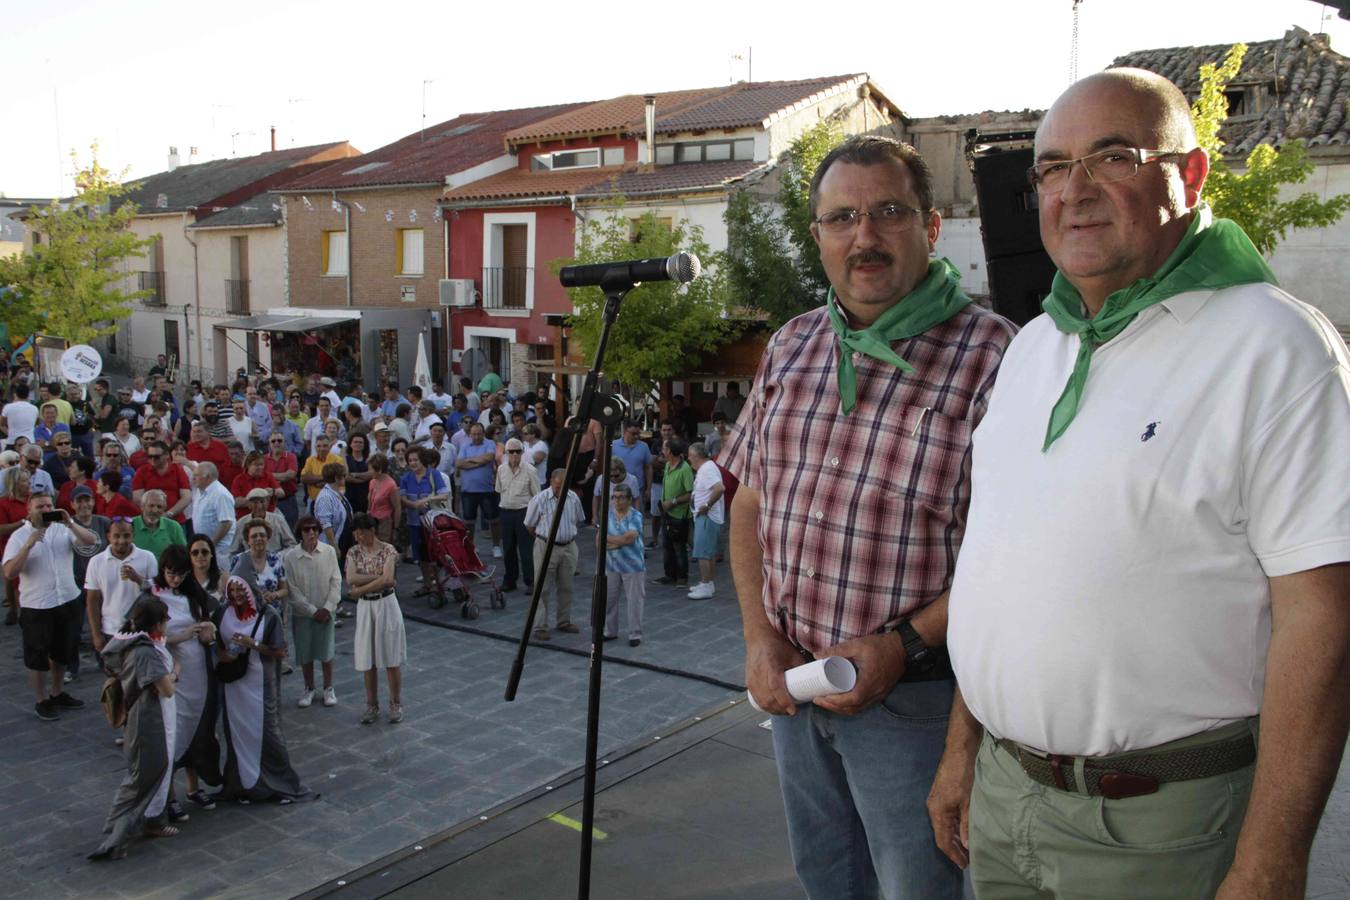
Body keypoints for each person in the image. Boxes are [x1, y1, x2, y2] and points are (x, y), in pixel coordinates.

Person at [930, 69, 1350, 899]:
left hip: (1165, 825)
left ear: (1189, 177)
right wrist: (962, 755)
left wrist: (1271, 860)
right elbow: (998, 575)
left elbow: (1324, 618)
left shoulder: (1274, 347)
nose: (1074, 191)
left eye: (1112, 157)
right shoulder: (1034, 347)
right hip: (1006, 799)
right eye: (1052, 167)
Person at [720, 134, 1014, 899]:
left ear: (932, 224)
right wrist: (758, 638)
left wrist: (899, 646)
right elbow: (749, 499)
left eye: (888, 212)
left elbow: (1013, 556)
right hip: (794, 688)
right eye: (842, 218)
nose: (865, 237)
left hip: (916, 701)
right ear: (817, 235)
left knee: (919, 889)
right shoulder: (792, 344)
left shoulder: (999, 358)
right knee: (827, 882)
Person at [87, 597, 181, 860]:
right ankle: (113, 837)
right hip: (149, 719)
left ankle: (149, 822)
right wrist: (174, 672)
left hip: (151, 716)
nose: (168, 622)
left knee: (152, 774)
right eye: (165, 619)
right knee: (140, 779)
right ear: (156, 622)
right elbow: (167, 689)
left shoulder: (140, 643)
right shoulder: (143, 652)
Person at [212, 576, 317, 803]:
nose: (237, 595)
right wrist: (226, 656)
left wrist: (254, 645)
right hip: (234, 687)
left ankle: (281, 785)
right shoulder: (222, 614)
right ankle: (242, 786)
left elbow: (280, 651)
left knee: (270, 735)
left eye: (242, 590)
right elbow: (216, 646)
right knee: (237, 735)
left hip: (260, 685)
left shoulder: (268, 616)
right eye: (233, 590)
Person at [139, 545, 221, 815]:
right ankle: (170, 796)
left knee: (199, 729)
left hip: (198, 670)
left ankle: (193, 788)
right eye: (171, 574)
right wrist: (179, 637)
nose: (176, 579)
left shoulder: (191, 592)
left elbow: (212, 615)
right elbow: (143, 637)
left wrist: (208, 629)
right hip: (171, 671)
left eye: (181, 574)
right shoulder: (151, 595)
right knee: (173, 734)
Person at [3, 492, 100, 720]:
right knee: (37, 656)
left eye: (49, 505)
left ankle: (57, 693)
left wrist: (71, 522)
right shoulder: (19, 536)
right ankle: (42, 699)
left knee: (62, 651)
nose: (45, 509)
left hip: (66, 599)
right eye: (40, 506)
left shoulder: (62, 529)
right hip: (37, 604)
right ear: (29, 509)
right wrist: (28, 545)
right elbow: (9, 572)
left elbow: (91, 541)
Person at [346, 514, 406, 724]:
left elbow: (388, 581)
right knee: (367, 658)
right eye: (356, 533)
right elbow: (351, 577)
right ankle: (372, 705)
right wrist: (379, 578)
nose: (359, 537)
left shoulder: (388, 550)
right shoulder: (353, 552)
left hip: (386, 605)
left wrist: (361, 589)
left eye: (362, 532)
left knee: (391, 658)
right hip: (366, 607)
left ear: (372, 530)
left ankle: (395, 703)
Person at [84, 517, 158, 665]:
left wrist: (138, 579)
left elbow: (157, 593)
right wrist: (96, 634)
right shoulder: (96, 562)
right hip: (110, 631)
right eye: (116, 536)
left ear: (133, 536)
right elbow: (92, 600)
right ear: (109, 536)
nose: (121, 540)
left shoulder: (147, 557)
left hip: (141, 631)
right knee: (114, 680)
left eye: (126, 535)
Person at [523, 468, 586, 641]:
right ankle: (540, 626)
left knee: (567, 586)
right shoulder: (540, 499)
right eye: (558, 486)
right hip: (546, 545)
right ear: (551, 481)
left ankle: (564, 621)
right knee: (542, 588)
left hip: (569, 546)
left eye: (564, 486)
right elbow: (529, 525)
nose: (560, 490)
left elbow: (578, 519)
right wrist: (544, 538)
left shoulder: (573, 498)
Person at [285, 516, 341, 709]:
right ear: (300, 533)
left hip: (325, 611)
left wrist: (328, 607)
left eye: (315, 530)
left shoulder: (329, 552)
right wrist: (311, 611)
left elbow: (336, 581)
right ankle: (309, 687)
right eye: (307, 530)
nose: (311, 533)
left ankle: (328, 687)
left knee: (326, 651)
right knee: (305, 652)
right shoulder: (291, 556)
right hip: (303, 614)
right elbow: (292, 589)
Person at [400, 447, 449, 593]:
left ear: (422, 460)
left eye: (416, 460)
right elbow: (402, 498)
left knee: (438, 553)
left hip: (433, 522)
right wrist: (413, 504)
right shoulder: (405, 478)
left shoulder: (434, 475)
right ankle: (427, 584)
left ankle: (440, 582)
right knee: (421, 555)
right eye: (410, 460)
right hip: (415, 522)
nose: (413, 463)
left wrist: (428, 499)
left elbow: (444, 495)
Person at [602, 483, 645, 647]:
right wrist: (619, 542)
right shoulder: (608, 515)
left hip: (632, 565)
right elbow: (599, 540)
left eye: (621, 498)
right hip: (611, 564)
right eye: (614, 497)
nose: (617, 501)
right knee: (609, 599)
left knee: (634, 600)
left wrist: (611, 540)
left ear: (628, 500)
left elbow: (630, 538)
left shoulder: (635, 516)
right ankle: (609, 631)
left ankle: (635, 633)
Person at [495, 438, 539, 593]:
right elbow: (499, 490)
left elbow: (537, 496)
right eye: (511, 451)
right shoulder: (501, 469)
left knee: (527, 550)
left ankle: (531, 581)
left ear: (522, 452)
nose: (514, 454)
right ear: (506, 453)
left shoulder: (530, 470)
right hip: (506, 512)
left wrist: (534, 519)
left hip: (524, 513)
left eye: (517, 451)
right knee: (508, 549)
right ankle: (510, 581)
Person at [686, 441, 725, 600]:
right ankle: (707, 583)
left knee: (703, 553)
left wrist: (707, 505)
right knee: (708, 553)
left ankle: (706, 584)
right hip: (705, 516)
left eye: (690, 456)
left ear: (695, 456)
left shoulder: (707, 469)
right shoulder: (707, 468)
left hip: (706, 517)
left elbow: (720, 488)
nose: (689, 459)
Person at [456, 422, 500, 557]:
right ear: (470, 434)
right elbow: (459, 464)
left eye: (479, 434)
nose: (476, 437)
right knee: (469, 521)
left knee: (493, 520)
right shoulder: (464, 445)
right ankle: (471, 547)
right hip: (468, 490)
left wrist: (468, 461)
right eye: (474, 434)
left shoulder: (490, 443)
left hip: (487, 489)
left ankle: (496, 546)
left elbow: (489, 457)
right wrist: (479, 461)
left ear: (483, 433)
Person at [657, 439, 693, 588]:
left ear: (670, 451)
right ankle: (669, 575)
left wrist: (672, 502)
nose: (662, 451)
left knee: (679, 546)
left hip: (679, 515)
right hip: (666, 514)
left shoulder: (685, 469)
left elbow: (690, 493)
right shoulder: (667, 465)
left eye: (664, 449)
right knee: (667, 545)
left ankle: (682, 577)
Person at [190, 463, 237, 571]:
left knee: (221, 580)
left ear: (208, 477)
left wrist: (210, 544)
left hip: (220, 550)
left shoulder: (220, 494)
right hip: (206, 548)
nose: (193, 478)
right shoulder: (200, 491)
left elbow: (226, 523)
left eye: (197, 475)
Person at [132, 441, 191, 522]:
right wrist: (154, 512)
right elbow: (137, 497)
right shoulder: (142, 471)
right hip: (150, 519)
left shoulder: (177, 470)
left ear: (166, 455)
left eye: (156, 457)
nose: (152, 459)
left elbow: (186, 497)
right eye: (150, 456)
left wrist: (169, 514)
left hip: (175, 519)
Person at [228, 488, 296, 557]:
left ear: (268, 502)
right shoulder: (241, 523)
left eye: (262, 501)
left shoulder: (278, 520)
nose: (259, 506)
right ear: (248, 504)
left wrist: (279, 557)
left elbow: (292, 545)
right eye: (255, 502)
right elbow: (233, 551)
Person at [131, 489, 187, 564]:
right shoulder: (130, 525)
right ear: (142, 506)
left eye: (159, 507)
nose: (155, 510)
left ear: (164, 509)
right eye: (151, 506)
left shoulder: (173, 526)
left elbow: (183, 555)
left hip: (164, 574)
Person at [263, 429, 301, 527]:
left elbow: (291, 474)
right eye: (273, 441)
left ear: (284, 442)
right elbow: (262, 477)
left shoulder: (291, 457)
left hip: (288, 500)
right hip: (269, 501)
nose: (276, 443)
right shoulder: (263, 459)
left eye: (279, 440)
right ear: (269, 443)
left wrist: (269, 476)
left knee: (291, 529)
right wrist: (282, 476)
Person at [608, 421, 653, 501]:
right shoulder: (614, 445)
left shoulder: (644, 446)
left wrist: (649, 488)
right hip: (618, 490)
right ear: (625, 431)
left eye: (638, 433)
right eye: (633, 434)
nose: (636, 436)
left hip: (638, 489)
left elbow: (648, 468)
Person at [313, 463, 352, 553]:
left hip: (344, 540)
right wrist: (334, 547)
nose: (345, 477)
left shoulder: (338, 493)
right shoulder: (325, 497)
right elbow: (325, 524)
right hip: (332, 545)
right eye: (343, 475)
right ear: (336, 478)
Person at [229, 450, 282, 517]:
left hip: (267, 516)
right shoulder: (239, 479)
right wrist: (255, 497)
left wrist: (273, 491)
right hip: (246, 517)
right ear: (248, 465)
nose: (260, 467)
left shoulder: (267, 476)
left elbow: (282, 493)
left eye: (262, 464)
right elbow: (235, 502)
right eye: (256, 464)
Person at [301, 434, 346, 506]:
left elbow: (339, 481)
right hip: (314, 501)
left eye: (325, 446)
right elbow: (304, 478)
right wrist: (326, 477)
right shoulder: (310, 460)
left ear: (329, 446)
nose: (322, 449)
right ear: (315, 447)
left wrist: (315, 480)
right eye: (319, 446)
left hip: (334, 500)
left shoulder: (337, 460)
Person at [2, 381, 38, 449]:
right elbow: (36, 424)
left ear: (15, 394)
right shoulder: (34, 408)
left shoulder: (8, 407)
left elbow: (2, 424)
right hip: (30, 441)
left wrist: (9, 433)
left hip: (12, 441)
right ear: (28, 395)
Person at [343, 432, 372, 514]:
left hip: (366, 498)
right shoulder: (346, 459)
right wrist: (363, 478)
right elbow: (347, 477)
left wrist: (356, 475)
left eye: (360, 442)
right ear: (351, 444)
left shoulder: (368, 459)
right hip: (350, 497)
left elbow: (372, 474)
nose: (358, 444)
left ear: (364, 445)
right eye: (355, 442)